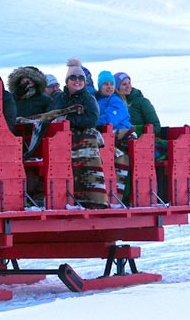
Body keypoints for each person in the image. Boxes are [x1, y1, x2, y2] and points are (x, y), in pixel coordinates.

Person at [51, 58, 107, 209]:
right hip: (62, 136)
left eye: (81, 78)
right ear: (67, 80)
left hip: (82, 135)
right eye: (73, 78)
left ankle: (92, 196)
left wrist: (69, 119)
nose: (77, 81)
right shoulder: (60, 98)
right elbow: (53, 115)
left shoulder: (88, 98)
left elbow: (92, 118)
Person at [96, 70, 136, 201]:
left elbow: (110, 119)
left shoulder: (116, 101)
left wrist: (92, 121)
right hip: (108, 135)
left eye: (111, 84)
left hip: (121, 134)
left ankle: (117, 196)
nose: (109, 87)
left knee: (119, 158)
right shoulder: (98, 101)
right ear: (100, 86)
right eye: (105, 84)